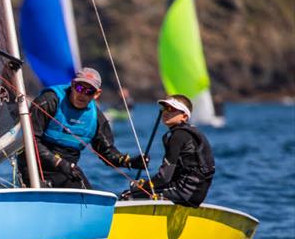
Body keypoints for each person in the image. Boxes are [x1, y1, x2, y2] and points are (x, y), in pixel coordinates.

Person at [17, 67, 147, 189]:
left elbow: (107, 151)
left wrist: (128, 162)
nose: (82, 94)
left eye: (89, 91)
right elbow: (30, 140)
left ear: (97, 94)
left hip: (68, 169)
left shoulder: (95, 117)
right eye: (79, 88)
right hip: (34, 167)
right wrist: (59, 163)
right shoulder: (49, 101)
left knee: (90, 197)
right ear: (73, 85)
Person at [121, 95, 215, 207]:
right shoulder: (188, 133)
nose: (166, 112)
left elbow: (164, 177)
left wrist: (143, 185)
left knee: (127, 195)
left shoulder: (178, 136)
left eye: (171, 109)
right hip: (195, 193)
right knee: (141, 187)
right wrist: (145, 184)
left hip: (184, 193)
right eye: (165, 108)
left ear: (184, 116)